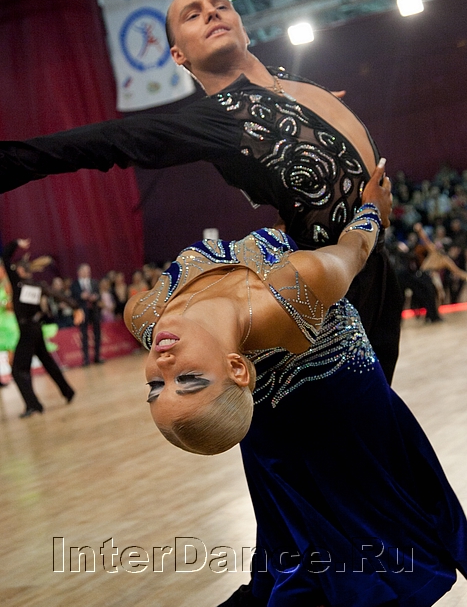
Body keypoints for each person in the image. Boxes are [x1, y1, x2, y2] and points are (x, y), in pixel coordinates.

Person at [0, 0, 403, 386]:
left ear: (243, 27)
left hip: (377, 273)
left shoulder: (291, 83)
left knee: (384, 415)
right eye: (192, 15)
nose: (211, 12)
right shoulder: (219, 119)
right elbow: (107, 141)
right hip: (335, 304)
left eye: (220, 5)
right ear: (179, 54)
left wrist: (315, 111)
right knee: (356, 418)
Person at [123, 162, 467, 607]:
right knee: (368, 537)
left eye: (155, 387)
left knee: (323, 537)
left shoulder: (144, 315)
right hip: (340, 392)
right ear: (237, 368)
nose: (162, 363)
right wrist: (372, 211)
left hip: (289, 407)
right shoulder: (292, 291)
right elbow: (353, 250)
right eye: (187, 381)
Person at [1, 239, 81, 417]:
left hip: (28, 331)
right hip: (36, 329)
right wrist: (75, 307)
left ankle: (34, 405)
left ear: (20, 271)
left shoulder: (17, 283)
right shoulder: (36, 286)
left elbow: (5, 257)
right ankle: (68, 392)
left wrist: (16, 243)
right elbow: (57, 294)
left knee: (18, 370)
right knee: (49, 363)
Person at [71, 264, 104, 366]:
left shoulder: (94, 282)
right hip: (82, 311)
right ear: (79, 272)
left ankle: (97, 356)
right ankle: (86, 359)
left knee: (97, 333)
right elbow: (72, 297)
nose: (87, 272)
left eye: (88, 270)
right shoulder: (75, 284)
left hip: (94, 310)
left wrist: (95, 297)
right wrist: (81, 296)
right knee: (84, 334)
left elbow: (99, 295)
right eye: (85, 270)